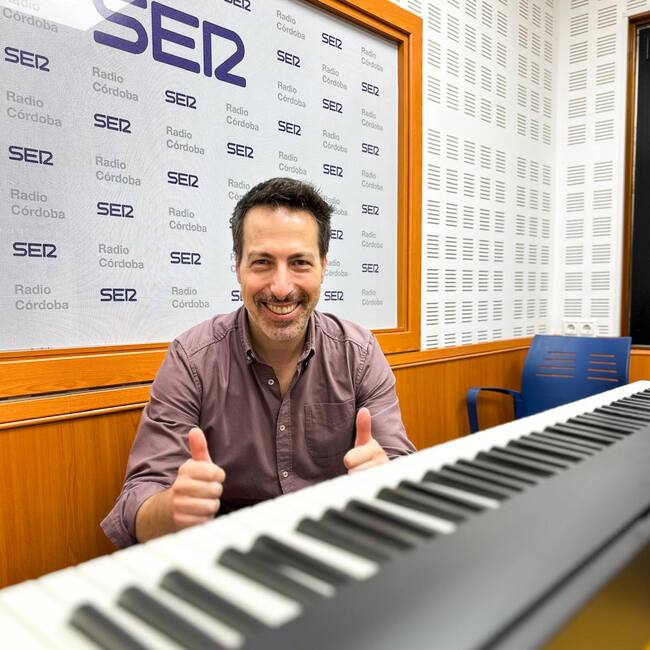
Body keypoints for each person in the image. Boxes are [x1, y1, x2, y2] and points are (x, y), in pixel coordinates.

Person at [101, 177, 415, 548]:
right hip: (228, 553)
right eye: (262, 262)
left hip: (334, 545)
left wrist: (386, 479)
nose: (281, 287)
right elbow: (138, 504)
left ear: (323, 266)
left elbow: (401, 470)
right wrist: (173, 509)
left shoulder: (359, 354)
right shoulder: (191, 360)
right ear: (238, 266)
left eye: (299, 263)